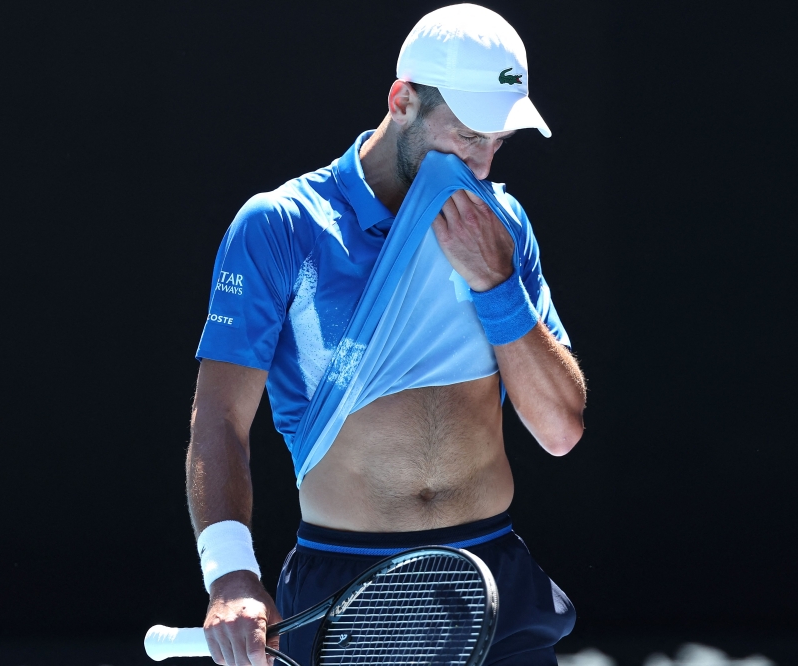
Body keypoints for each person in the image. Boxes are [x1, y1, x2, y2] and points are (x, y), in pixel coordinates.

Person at [186, 4, 587, 665]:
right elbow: (219, 418)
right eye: (466, 137)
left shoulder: (503, 225)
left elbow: (560, 430)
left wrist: (497, 285)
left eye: (496, 142)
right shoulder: (281, 226)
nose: (481, 165)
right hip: (342, 584)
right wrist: (229, 574)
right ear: (401, 100)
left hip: (495, 582)